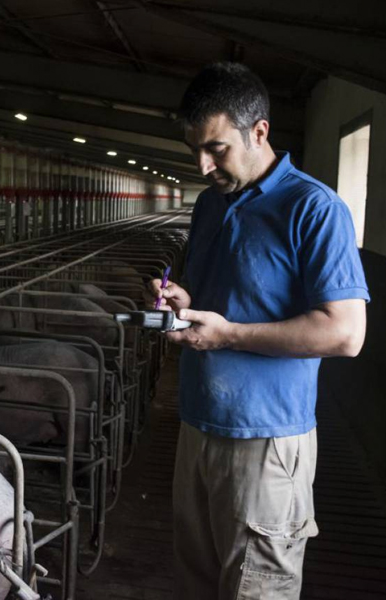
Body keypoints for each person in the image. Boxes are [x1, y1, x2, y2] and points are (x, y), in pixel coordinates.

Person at [149, 62, 369, 599]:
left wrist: (228, 336)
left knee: (256, 588)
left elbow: (345, 333)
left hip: (267, 441)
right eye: (194, 149)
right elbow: (215, 302)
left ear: (260, 132)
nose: (202, 164)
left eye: (217, 149)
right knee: (196, 581)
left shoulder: (314, 208)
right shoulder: (208, 205)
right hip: (198, 425)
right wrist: (181, 305)